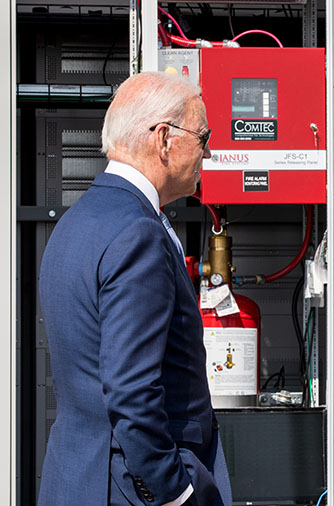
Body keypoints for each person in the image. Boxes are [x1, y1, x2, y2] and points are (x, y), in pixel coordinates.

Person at [38, 72, 231, 505]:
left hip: (76, 476)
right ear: (164, 138)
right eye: (203, 136)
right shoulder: (138, 233)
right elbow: (132, 391)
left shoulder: (75, 222)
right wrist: (175, 490)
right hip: (129, 487)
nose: (209, 151)